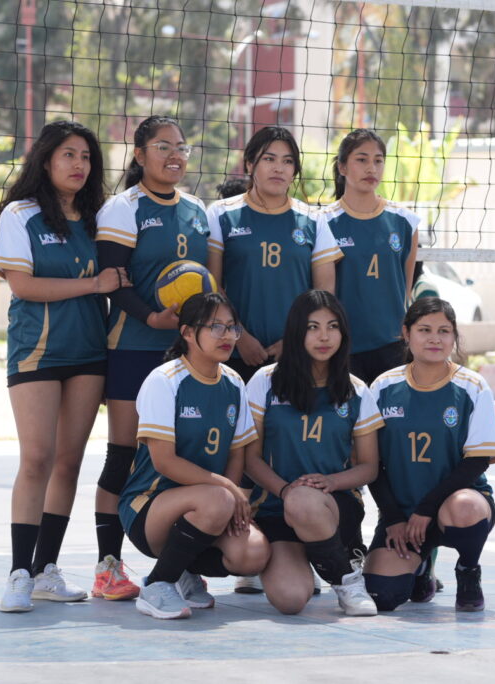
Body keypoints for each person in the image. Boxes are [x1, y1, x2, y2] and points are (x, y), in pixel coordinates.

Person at [0, 120, 129, 613]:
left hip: (90, 353)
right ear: (46, 160)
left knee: (69, 462)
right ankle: (18, 574)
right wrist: (94, 286)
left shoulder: (100, 218)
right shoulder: (21, 215)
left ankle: (46, 569)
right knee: (37, 460)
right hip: (38, 352)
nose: (78, 164)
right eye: (68, 155)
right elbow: (24, 286)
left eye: (86, 157)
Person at [93, 115, 212, 601]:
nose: (174, 155)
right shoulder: (123, 208)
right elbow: (113, 280)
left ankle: (179, 564)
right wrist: (151, 316)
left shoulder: (200, 211)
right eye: (162, 147)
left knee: (182, 459)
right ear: (139, 155)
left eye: (181, 147)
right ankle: (107, 564)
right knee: (123, 455)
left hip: (187, 355)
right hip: (134, 346)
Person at [119, 293, 269, 619]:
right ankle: (158, 584)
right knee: (217, 499)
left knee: (254, 554)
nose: (227, 336)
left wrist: (228, 496)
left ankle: (182, 569)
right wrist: (227, 491)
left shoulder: (233, 382)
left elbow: (236, 454)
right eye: (216, 327)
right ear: (187, 332)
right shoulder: (165, 381)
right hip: (149, 506)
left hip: (210, 500)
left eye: (232, 328)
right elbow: (164, 462)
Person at [244, 290, 381, 616]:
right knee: (290, 600)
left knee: (304, 500)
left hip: (333, 505)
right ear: (296, 331)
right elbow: (250, 459)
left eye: (332, 326)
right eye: (313, 327)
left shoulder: (356, 389)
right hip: (278, 505)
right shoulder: (265, 382)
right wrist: (285, 489)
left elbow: (369, 467)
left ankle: (347, 581)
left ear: (343, 333)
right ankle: (313, 559)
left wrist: (330, 482)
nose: (324, 336)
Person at [364, 297, 495, 612]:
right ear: (406, 333)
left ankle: (468, 570)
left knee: (466, 506)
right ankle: (422, 565)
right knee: (383, 596)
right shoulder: (384, 387)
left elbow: (477, 461)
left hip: (449, 510)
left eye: (444, 331)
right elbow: (371, 465)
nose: (435, 339)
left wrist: (427, 509)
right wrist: (394, 517)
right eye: (424, 329)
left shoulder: (472, 386)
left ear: (454, 336)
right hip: (402, 516)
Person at [206, 125, 343, 383]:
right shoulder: (221, 213)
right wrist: (239, 336)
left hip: (296, 353)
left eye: (287, 161)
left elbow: (324, 294)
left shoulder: (314, 219)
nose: (279, 168)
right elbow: (212, 286)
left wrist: (294, 340)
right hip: (234, 352)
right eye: (269, 159)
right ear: (249, 164)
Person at [323, 128, 419, 385]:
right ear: (342, 167)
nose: (371, 168)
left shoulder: (405, 221)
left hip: (392, 345)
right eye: (362, 160)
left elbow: (405, 290)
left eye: (378, 161)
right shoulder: (323, 222)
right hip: (343, 346)